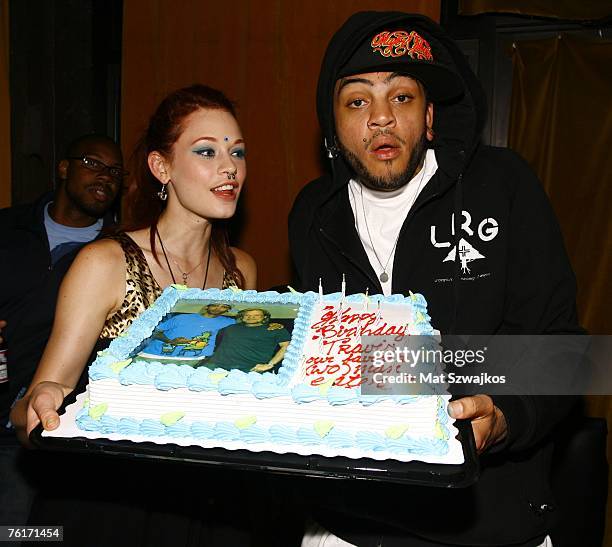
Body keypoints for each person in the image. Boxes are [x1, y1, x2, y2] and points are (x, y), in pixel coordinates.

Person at [289, 12, 582, 547]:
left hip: (487, 521)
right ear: (332, 123)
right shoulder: (313, 215)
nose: (380, 119)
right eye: (357, 101)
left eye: (401, 97)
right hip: (349, 525)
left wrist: (506, 412)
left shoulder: (504, 185)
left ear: (429, 116)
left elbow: (566, 352)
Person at [10, 84, 257, 547]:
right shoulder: (105, 263)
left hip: (210, 507)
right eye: (207, 151)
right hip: (110, 507)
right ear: (161, 167)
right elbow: (32, 411)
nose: (229, 168)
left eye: (238, 153)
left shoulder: (241, 269)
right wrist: (42, 405)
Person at [0, 134, 123, 530]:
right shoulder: (9, 227)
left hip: (41, 422)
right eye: (93, 163)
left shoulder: (117, 253)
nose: (105, 176)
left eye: (114, 171)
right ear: (64, 167)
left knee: (25, 532)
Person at [138, 303, 235, 362]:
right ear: (206, 306)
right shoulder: (181, 318)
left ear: (227, 310)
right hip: (154, 355)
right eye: (215, 305)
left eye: (224, 306)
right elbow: (154, 332)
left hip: (193, 360)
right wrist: (170, 341)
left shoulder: (228, 322)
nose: (218, 308)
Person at [204, 308, 290, 372]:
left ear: (264, 317)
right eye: (247, 315)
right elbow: (214, 342)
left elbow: (286, 347)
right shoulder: (229, 327)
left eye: (256, 315)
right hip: (216, 365)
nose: (251, 317)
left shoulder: (275, 329)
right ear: (242, 317)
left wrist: (270, 365)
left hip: (251, 369)